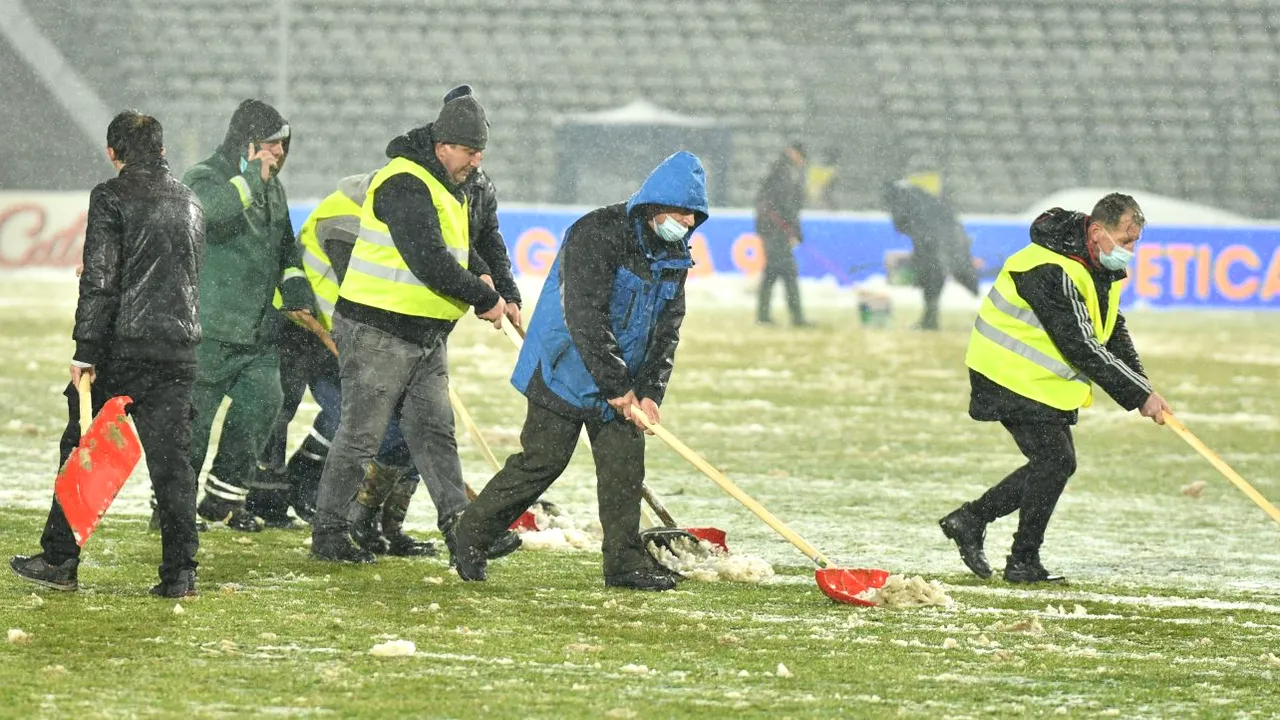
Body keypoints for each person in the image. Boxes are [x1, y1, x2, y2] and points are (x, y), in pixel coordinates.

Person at [452, 151, 709, 592]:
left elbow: (667, 329)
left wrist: (649, 391)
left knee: (624, 469)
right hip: (563, 366)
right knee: (542, 462)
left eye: (692, 217)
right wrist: (615, 385)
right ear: (655, 205)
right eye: (680, 213)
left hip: (621, 377)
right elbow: (584, 315)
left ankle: (624, 565)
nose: (685, 224)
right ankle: (471, 536)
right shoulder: (598, 233)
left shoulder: (675, 254)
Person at [10, 111, 205, 598]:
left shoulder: (110, 196)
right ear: (161, 150)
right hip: (177, 349)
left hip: (124, 349)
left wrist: (86, 350)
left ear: (113, 153)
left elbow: (101, 280)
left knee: (81, 449)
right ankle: (180, 573)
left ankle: (59, 559)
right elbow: (180, 274)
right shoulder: (190, 200)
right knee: (174, 467)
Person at [309, 92, 506, 563]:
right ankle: (330, 533)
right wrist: (485, 297)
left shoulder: (449, 185)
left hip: (424, 333)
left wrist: (492, 281)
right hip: (377, 331)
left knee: (436, 431)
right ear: (442, 146)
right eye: (469, 152)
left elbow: (460, 250)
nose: (476, 164)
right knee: (362, 436)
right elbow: (429, 260)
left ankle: (462, 527)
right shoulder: (404, 182)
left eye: (480, 154)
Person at [938, 193, 1172, 583]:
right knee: (1056, 462)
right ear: (1097, 231)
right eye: (1126, 241)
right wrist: (1138, 397)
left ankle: (978, 526)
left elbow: (1110, 328)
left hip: (1036, 378)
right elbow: (1080, 344)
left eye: (1135, 242)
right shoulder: (1048, 267)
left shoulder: (1096, 264)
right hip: (1006, 371)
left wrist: (1143, 387)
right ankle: (1016, 557)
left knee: (1054, 463)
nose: (1131, 251)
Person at [183, 99, 317, 532]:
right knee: (194, 423)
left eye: (283, 147)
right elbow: (210, 215)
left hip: (257, 332)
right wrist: (249, 180)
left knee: (265, 402)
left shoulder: (272, 187)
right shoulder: (202, 177)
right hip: (209, 329)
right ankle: (172, 504)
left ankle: (223, 498)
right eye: (271, 146)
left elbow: (285, 246)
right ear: (246, 143)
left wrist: (295, 284)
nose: (279, 154)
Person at [883, 172, 980, 330]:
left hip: (935, 245)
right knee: (938, 278)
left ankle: (930, 321)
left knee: (932, 279)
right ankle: (930, 319)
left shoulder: (903, 199)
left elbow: (903, 224)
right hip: (945, 242)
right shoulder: (920, 197)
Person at [755, 142, 809, 327]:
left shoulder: (777, 170)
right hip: (776, 230)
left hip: (771, 229)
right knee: (788, 272)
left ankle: (763, 316)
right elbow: (788, 204)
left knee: (771, 272)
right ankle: (796, 316)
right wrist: (795, 230)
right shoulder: (784, 173)